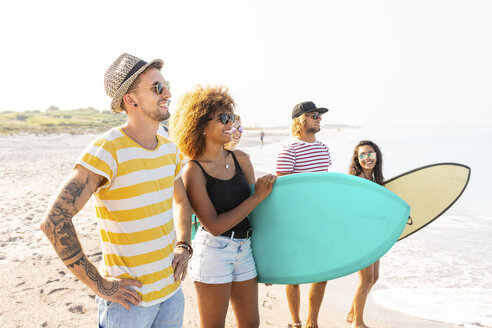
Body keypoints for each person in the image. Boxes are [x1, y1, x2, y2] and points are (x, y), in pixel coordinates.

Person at [40, 53, 192, 328]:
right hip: (128, 305)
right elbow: (54, 220)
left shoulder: (170, 148)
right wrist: (101, 285)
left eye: (166, 84)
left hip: (171, 294)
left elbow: (181, 200)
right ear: (130, 99)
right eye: (157, 87)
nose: (167, 92)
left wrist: (184, 245)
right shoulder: (107, 149)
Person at [170, 85, 276, 328]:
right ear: (201, 125)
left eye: (231, 117)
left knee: (251, 324)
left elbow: (256, 217)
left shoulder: (242, 159)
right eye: (224, 118)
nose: (231, 124)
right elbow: (214, 225)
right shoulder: (193, 170)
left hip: (245, 248)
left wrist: (271, 260)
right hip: (214, 251)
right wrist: (256, 198)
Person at [276, 101, 332, 328]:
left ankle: (313, 323)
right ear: (300, 120)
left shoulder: (324, 149)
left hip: (320, 221)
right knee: (295, 275)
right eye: (314, 115)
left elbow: (325, 187)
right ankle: (296, 322)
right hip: (296, 224)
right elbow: (281, 194)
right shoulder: (289, 150)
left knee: (322, 273)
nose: (319, 118)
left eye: (319, 115)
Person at [345, 140, 384, 328]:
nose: (367, 158)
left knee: (374, 277)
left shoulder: (374, 180)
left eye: (370, 153)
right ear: (357, 159)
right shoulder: (358, 179)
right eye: (362, 155)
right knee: (366, 279)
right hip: (361, 236)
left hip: (373, 236)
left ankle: (352, 313)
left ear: (376, 155)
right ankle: (357, 323)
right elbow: (352, 211)